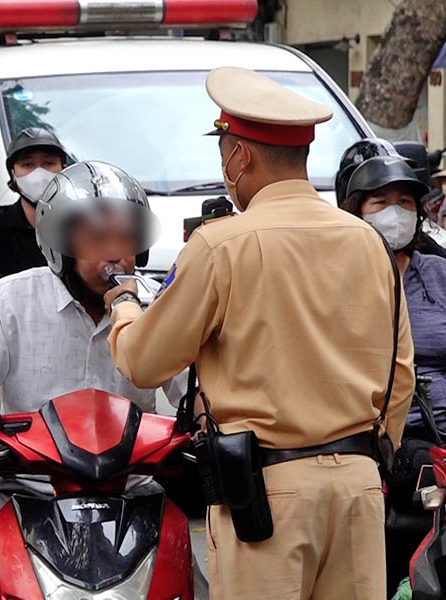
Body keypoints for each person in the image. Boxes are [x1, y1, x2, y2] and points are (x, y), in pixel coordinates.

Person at [105, 66, 414, 599]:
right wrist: (367, 457)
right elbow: (400, 375)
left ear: (239, 157)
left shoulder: (221, 244)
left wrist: (126, 304)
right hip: (359, 486)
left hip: (266, 494)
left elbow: (143, 362)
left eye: (224, 149)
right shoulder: (367, 241)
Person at [0, 161, 190, 599]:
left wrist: (210, 423)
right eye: (97, 239)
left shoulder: (155, 306)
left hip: (135, 496)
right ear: (59, 246)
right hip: (29, 496)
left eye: (126, 239)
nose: (115, 254)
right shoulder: (12, 297)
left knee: (198, 587)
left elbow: (193, 387)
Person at [341, 155, 446, 591]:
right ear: (356, 212)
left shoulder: (439, 274)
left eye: (405, 201)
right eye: (380, 201)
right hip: (382, 443)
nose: (394, 212)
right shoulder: (338, 278)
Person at [0, 127, 68, 276]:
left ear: (64, 169)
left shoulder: (79, 222)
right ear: (13, 174)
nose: (39, 174)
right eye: (28, 165)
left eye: (49, 163)